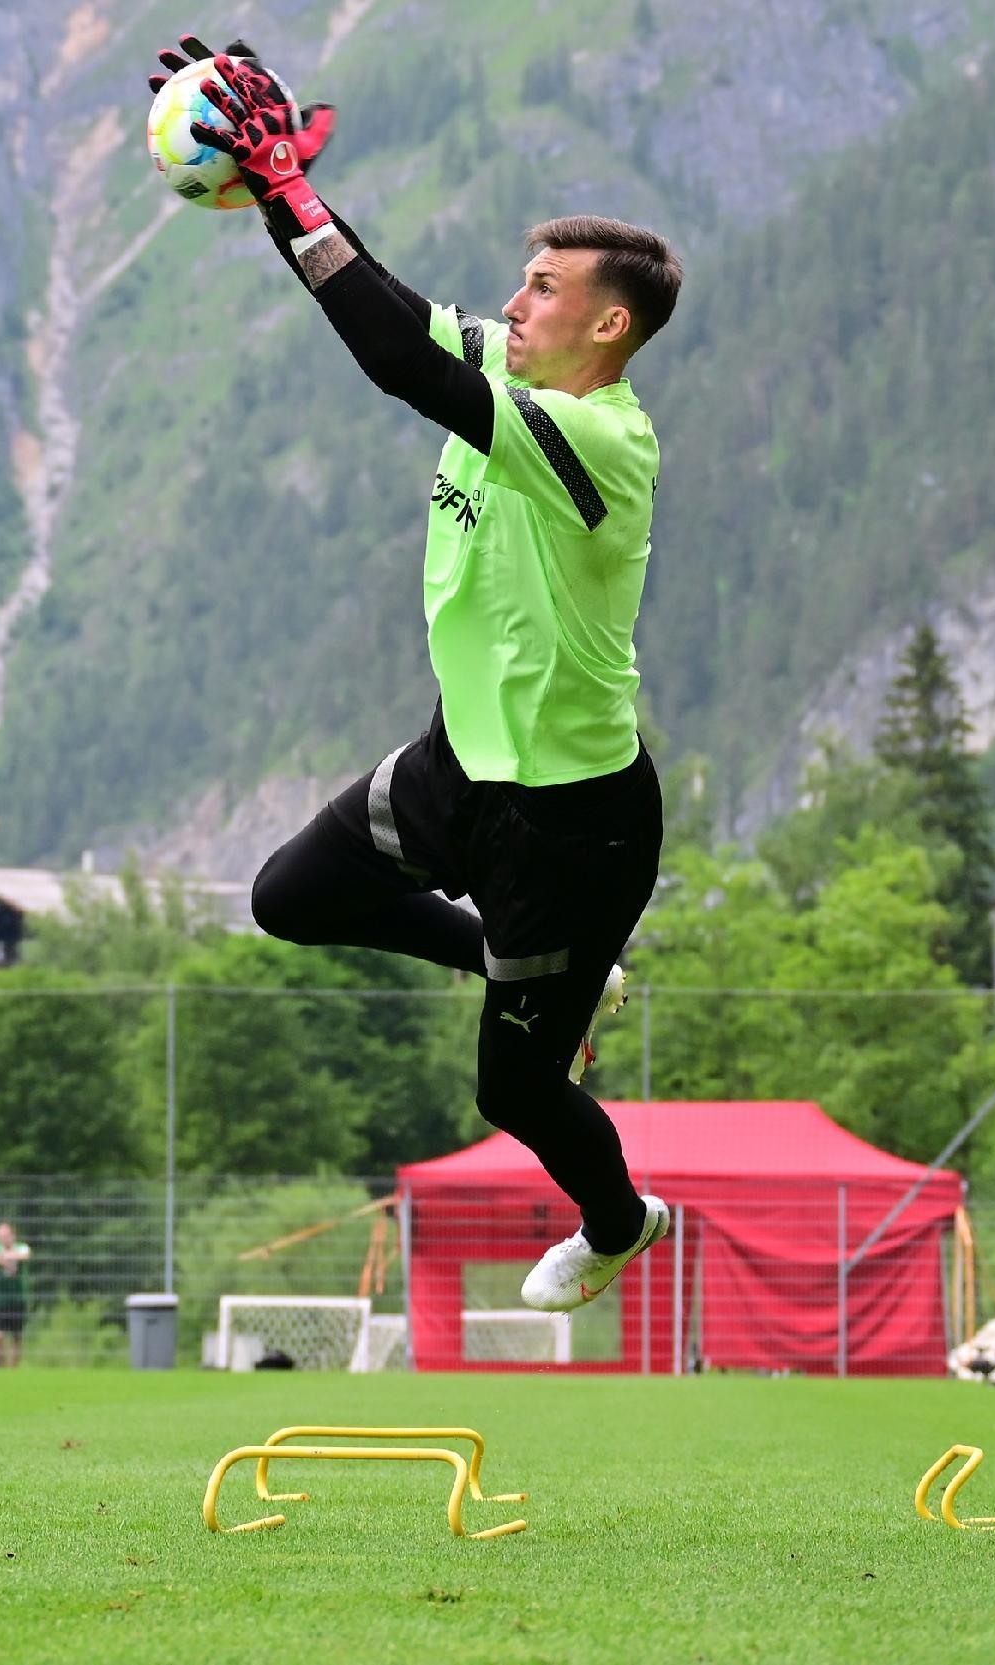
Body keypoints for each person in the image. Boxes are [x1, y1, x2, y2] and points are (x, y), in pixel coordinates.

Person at [159, 35, 686, 1316]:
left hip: (573, 825)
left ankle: (620, 1222)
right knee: (291, 896)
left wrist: (285, 190)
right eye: (520, 280)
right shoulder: (512, 367)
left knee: (510, 1093)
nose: (517, 301)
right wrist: (280, 191)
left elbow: (400, 364)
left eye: (545, 287)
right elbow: (385, 307)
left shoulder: (600, 439)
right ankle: (542, 966)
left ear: (607, 325)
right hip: (460, 763)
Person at [0, 1220, 33, 1368]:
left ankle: (14, 1368)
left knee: (17, 1336)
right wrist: (4, 1261)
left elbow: (25, 1254)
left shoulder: (21, 1247)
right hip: (0, 1299)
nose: (2, 1239)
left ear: (13, 1235)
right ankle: (2, 1365)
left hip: (18, 1298)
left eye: (5, 1235)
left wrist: (2, 1257)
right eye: (0, 1236)